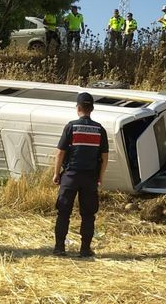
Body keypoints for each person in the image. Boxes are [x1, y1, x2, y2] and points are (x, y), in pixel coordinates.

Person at [53, 92, 109, 258]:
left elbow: (60, 153)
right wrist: (100, 176)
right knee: (88, 214)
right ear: (92, 109)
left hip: (70, 175)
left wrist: (56, 174)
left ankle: (59, 248)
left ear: (78, 108)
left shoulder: (71, 127)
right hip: (90, 177)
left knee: (63, 212)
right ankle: (85, 249)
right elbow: (105, 157)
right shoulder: (100, 130)